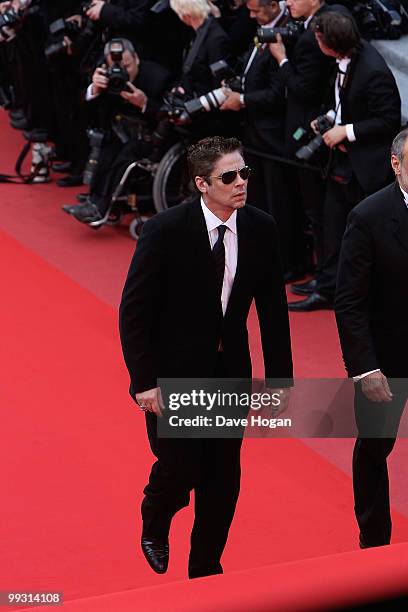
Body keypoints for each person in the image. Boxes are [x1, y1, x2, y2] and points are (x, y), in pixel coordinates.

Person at [119, 136, 293, 578]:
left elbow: (272, 310)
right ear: (202, 183)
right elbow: (133, 312)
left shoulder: (260, 228)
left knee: (222, 481)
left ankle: (204, 568)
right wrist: (144, 382)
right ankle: (155, 519)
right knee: (179, 468)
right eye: (229, 177)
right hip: (173, 373)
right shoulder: (165, 231)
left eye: (245, 173)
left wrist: (279, 382)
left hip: (229, 372)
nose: (241, 183)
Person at [289, 10, 401, 310]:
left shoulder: (373, 70)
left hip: (364, 168)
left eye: (318, 36)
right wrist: (328, 118)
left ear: (330, 43)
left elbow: (389, 120)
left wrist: (346, 131)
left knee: (357, 232)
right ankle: (326, 286)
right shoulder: (344, 61)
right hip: (342, 164)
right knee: (330, 224)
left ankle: (353, 291)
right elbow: (346, 103)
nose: (314, 39)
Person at [335, 127, 408, 548]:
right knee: (375, 449)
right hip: (388, 360)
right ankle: (374, 537)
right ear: (396, 164)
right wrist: (365, 368)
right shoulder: (368, 216)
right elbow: (349, 302)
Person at [220, 0, 304, 279]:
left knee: (281, 203)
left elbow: (278, 92)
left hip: (274, 138)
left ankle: (289, 263)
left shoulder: (285, 34)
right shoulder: (263, 29)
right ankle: (266, 258)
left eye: (256, 10)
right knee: (259, 201)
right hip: (255, 135)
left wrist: (241, 100)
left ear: (272, 4)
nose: (251, 15)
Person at [269, 0, 347, 285]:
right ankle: (319, 273)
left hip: (311, 130)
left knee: (316, 210)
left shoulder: (317, 32)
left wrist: (282, 59)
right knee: (311, 209)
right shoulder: (313, 25)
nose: (287, 2)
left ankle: (323, 277)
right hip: (312, 126)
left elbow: (303, 88)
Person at [64, 37, 171, 224]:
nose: (123, 73)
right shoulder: (107, 77)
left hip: (152, 137)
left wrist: (144, 103)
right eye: (117, 67)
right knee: (107, 142)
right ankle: (94, 200)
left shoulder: (159, 77)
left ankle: (101, 207)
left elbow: (168, 116)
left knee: (127, 151)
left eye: (127, 66)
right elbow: (82, 110)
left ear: (136, 59)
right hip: (121, 131)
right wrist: (94, 89)